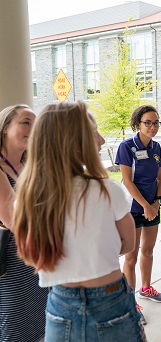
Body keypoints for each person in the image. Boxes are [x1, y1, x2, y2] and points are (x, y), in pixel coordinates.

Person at [13, 101, 146, 341]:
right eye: (93, 131)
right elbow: (128, 244)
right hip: (112, 299)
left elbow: (30, 253)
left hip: (60, 304)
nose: (102, 140)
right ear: (74, 141)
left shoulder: (27, 197)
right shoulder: (108, 190)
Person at [0, 104, 48, 342]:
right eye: (25, 122)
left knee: (40, 325)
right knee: (15, 328)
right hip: (11, 268)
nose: (32, 128)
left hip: (38, 262)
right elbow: (11, 219)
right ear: (5, 127)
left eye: (35, 123)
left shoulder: (34, 167)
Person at [115, 105, 161, 324]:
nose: (152, 127)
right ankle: (130, 302)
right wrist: (145, 205)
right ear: (138, 123)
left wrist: (155, 203)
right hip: (132, 209)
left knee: (148, 250)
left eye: (156, 123)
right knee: (131, 256)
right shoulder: (127, 147)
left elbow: (160, 178)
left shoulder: (156, 147)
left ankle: (146, 288)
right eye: (148, 122)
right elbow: (127, 181)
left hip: (151, 207)